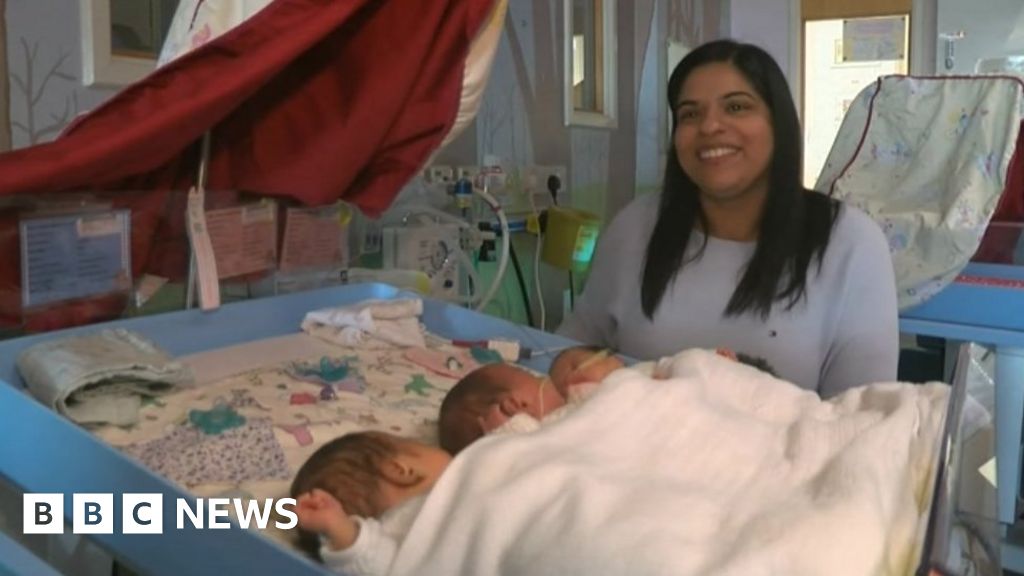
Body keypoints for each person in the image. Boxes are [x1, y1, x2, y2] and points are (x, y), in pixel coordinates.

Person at [557, 39, 898, 398]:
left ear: (778, 124)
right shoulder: (635, 227)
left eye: (736, 107)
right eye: (690, 113)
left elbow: (865, 414)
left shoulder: (851, 243)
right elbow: (573, 347)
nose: (710, 127)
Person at [438, 347, 776, 454]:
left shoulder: (584, 403)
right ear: (514, 408)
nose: (555, 382)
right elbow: (524, 454)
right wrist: (504, 434)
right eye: (538, 379)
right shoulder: (550, 432)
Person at [290, 431, 451, 575]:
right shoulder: (412, 519)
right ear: (401, 470)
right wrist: (342, 530)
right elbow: (384, 564)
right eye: (423, 445)